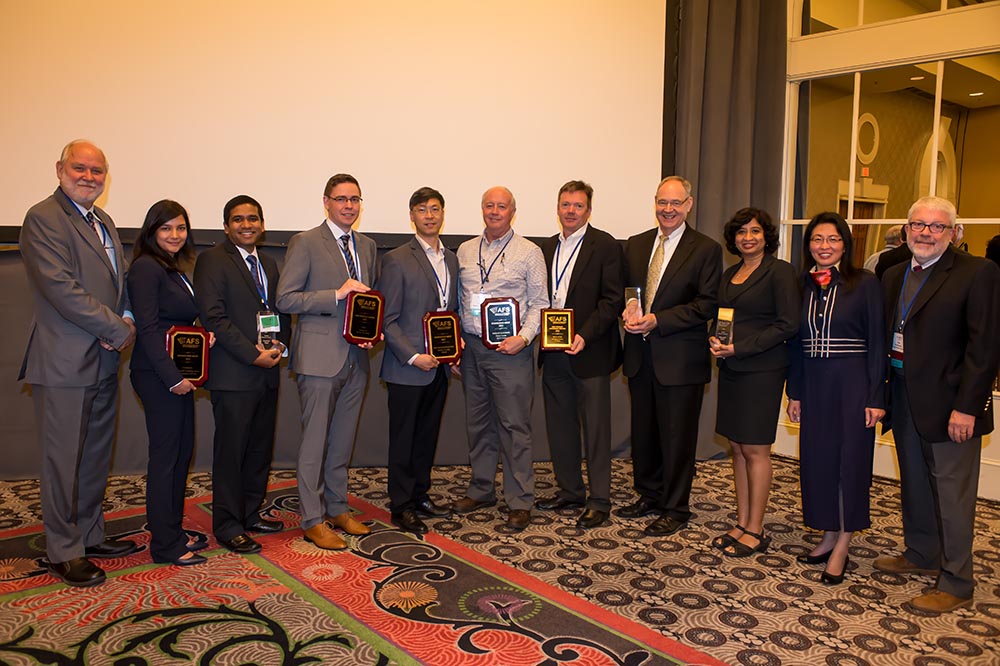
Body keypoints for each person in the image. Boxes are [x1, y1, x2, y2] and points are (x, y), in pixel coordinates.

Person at [18, 140, 137, 587]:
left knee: (93, 457)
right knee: (63, 461)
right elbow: (61, 289)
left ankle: (89, 535)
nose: (88, 177)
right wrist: (116, 329)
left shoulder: (102, 220)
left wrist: (127, 318)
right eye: (79, 168)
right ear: (59, 169)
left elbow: (119, 282)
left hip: (104, 360)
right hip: (65, 362)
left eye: (97, 170)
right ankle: (63, 551)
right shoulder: (42, 218)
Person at [875, 197, 1000, 612]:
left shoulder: (977, 272)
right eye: (918, 224)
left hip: (952, 404)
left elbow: (985, 348)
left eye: (937, 226)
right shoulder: (893, 274)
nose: (926, 233)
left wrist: (968, 407)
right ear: (906, 229)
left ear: (954, 233)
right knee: (914, 482)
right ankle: (922, 551)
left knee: (952, 495)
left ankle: (957, 581)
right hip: (903, 395)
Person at [276, 174, 378, 550]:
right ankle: (312, 519)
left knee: (341, 442)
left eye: (355, 199)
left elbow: (368, 300)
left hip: (356, 357)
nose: (349, 206)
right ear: (326, 202)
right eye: (341, 199)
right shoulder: (305, 242)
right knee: (315, 444)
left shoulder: (367, 246)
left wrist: (372, 328)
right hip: (319, 359)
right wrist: (335, 294)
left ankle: (336, 508)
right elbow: (286, 298)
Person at [786, 212, 885, 585]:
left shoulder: (865, 283)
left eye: (832, 239)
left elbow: (878, 342)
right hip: (814, 384)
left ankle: (844, 541)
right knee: (819, 460)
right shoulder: (802, 285)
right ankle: (828, 532)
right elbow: (795, 344)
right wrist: (795, 392)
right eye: (817, 239)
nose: (824, 246)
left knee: (850, 462)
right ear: (808, 244)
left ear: (845, 244)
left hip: (852, 384)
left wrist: (876, 396)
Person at [620, 176, 722, 537]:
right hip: (640, 355)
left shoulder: (706, 249)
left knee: (677, 437)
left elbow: (706, 304)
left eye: (675, 203)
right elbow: (630, 289)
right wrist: (630, 307)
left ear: (688, 205)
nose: (668, 209)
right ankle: (649, 494)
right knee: (644, 432)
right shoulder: (636, 244)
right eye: (662, 202)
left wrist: (658, 320)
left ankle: (676, 507)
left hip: (679, 360)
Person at [194, 195, 290, 555]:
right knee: (232, 452)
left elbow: (278, 311)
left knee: (259, 449)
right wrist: (253, 355)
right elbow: (214, 317)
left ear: (262, 225)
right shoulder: (212, 260)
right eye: (238, 219)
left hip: (267, 372)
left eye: (253, 219)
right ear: (225, 226)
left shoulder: (268, 263)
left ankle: (250, 513)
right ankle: (228, 525)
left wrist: (280, 346)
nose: (246, 225)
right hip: (234, 374)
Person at [450, 186, 549, 531]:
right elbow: (458, 301)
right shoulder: (465, 250)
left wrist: (524, 338)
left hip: (511, 353)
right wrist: (456, 344)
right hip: (473, 348)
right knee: (478, 423)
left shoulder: (529, 252)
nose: (495, 211)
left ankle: (520, 500)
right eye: (489, 205)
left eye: (502, 206)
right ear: (482, 209)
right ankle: (481, 489)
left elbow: (540, 303)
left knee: (514, 426)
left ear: (512, 212)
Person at [708, 208, 799, 557]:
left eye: (755, 231)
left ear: (766, 236)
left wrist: (740, 347)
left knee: (756, 450)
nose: (748, 238)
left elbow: (787, 324)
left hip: (763, 370)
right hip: (732, 368)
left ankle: (756, 529)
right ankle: (742, 522)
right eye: (742, 232)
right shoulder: (730, 273)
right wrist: (715, 339)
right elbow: (722, 316)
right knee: (738, 448)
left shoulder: (780, 272)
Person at [535, 181, 624, 529]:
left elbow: (612, 300)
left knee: (596, 430)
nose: (571, 211)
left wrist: (584, 335)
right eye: (565, 204)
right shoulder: (545, 248)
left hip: (591, 351)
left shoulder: (605, 245)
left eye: (578, 205)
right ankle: (570, 490)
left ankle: (599, 499)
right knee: (560, 427)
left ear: (588, 210)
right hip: (554, 351)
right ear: (557, 208)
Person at [128, 200, 212, 566]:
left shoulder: (171, 267)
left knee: (181, 453)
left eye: (180, 228)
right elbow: (148, 329)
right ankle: (164, 545)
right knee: (166, 458)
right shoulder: (146, 268)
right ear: (152, 231)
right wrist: (173, 377)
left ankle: (172, 532)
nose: (175, 235)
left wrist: (201, 340)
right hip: (159, 376)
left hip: (176, 376)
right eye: (166, 228)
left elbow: (174, 325)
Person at [377, 187, 459, 534]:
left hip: (439, 366)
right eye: (422, 209)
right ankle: (401, 506)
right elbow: (388, 319)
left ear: (443, 214)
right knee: (404, 439)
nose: (429, 215)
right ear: (412, 216)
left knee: (427, 435)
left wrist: (454, 349)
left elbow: (450, 311)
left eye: (435, 209)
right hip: (407, 367)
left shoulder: (451, 259)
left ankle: (420, 494)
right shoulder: (396, 259)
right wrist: (413, 356)